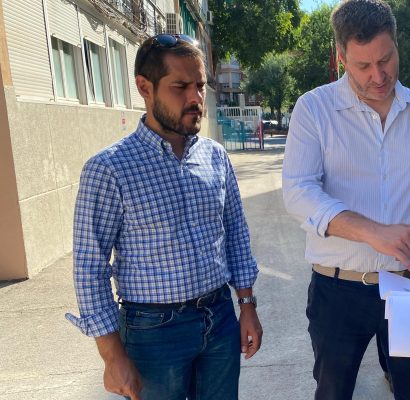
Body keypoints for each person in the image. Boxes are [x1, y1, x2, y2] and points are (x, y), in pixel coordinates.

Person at [65, 34, 262, 400]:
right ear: (145, 87)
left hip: (219, 318)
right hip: (152, 333)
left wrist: (246, 305)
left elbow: (235, 234)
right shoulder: (110, 169)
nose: (196, 98)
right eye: (180, 87)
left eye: (199, 86)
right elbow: (90, 266)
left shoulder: (215, 157)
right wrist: (111, 354)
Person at [281, 0, 410, 398]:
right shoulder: (314, 109)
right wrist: (373, 232)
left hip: (408, 284)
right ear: (342, 58)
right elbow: (298, 192)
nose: (378, 75)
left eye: (386, 59)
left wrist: (399, 227)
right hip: (338, 288)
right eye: (363, 66)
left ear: (396, 46)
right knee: (333, 391)